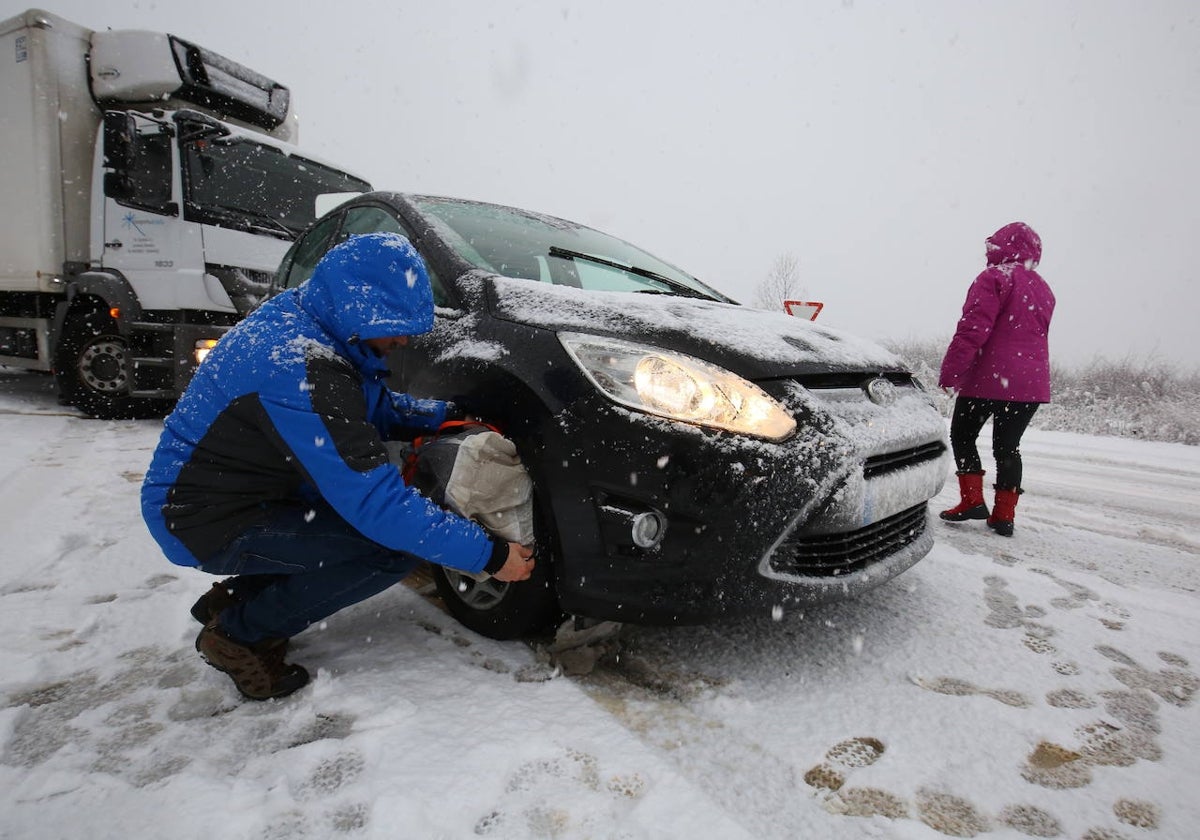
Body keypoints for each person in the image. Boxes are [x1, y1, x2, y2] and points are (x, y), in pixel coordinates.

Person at [141, 232, 534, 700]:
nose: (404, 338)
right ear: (360, 310)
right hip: (204, 519)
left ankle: (237, 599)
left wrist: (442, 417)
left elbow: (361, 407)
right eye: (395, 325)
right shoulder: (301, 367)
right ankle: (240, 635)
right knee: (386, 550)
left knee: (336, 530)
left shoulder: (310, 325)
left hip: (232, 497)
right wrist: (488, 555)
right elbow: (376, 504)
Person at [937, 221, 1055, 537]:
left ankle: (972, 501)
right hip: (1030, 383)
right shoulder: (1044, 289)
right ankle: (1004, 516)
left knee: (962, 434)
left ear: (1002, 247)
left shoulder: (994, 278)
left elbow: (973, 329)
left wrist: (951, 371)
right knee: (1008, 448)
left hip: (989, 378)